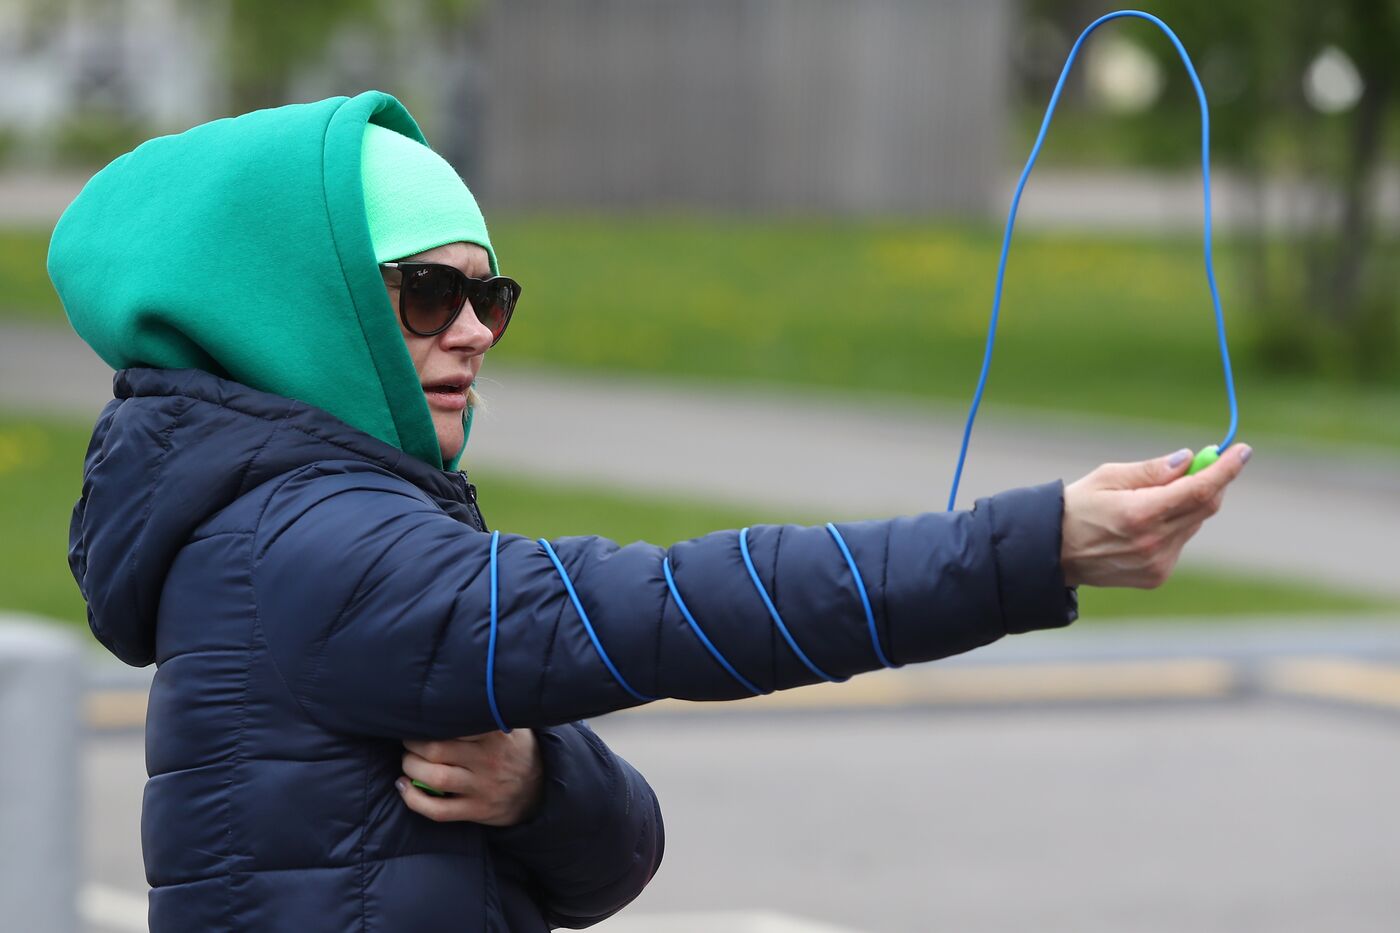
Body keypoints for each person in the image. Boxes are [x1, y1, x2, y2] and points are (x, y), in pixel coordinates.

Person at [50, 91, 1248, 932]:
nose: (472, 330)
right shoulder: (308, 548)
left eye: (488, 295)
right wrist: (1030, 547)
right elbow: (669, 606)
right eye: (425, 293)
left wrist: (531, 785)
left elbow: (610, 864)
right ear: (306, 314)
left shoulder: (333, 529)